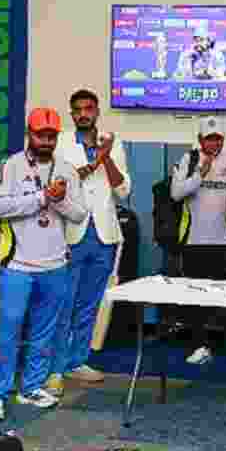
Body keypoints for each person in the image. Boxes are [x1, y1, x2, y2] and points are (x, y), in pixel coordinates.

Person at [0, 107, 88, 421]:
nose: (46, 141)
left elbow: (80, 214)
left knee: (45, 332)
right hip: (17, 265)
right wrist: (43, 197)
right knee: (7, 331)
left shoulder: (66, 168)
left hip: (55, 265)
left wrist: (60, 199)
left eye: (51, 136)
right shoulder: (10, 166)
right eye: (41, 135)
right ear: (29, 133)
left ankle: (31, 388)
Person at [47, 89, 130, 397]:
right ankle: (54, 368)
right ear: (72, 114)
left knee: (89, 304)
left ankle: (76, 360)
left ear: (97, 111)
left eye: (89, 108)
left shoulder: (112, 141)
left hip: (105, 234)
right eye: (78, 109)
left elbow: (123, 190)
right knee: (63, 303)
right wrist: (95, 162)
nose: (83, 114)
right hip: (71, 232)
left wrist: (105, 158)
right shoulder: (62, 143)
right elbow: (59, 185)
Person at [171, 116, 226, 370]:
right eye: (209, 138)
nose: (214, 142)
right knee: (197, 298)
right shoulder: (189, 160)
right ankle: (200, 346)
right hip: (194, 242)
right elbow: (176, 194)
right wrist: (200, 174)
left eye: (217, 138)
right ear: (200, 140)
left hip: (223, 241)